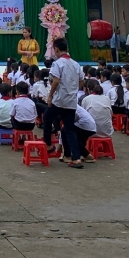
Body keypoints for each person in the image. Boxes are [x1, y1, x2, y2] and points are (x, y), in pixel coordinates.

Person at [46, 37, 84, 168]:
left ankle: (48, 144)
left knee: (47, 117)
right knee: (70, 128)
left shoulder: (58, 63)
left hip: (60, 99)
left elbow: (55, 81)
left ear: (56, 50)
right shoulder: (76, 64)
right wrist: (73, 90)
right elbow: (82, 81)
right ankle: (76, 158)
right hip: (71, 100)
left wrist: (50, 96)